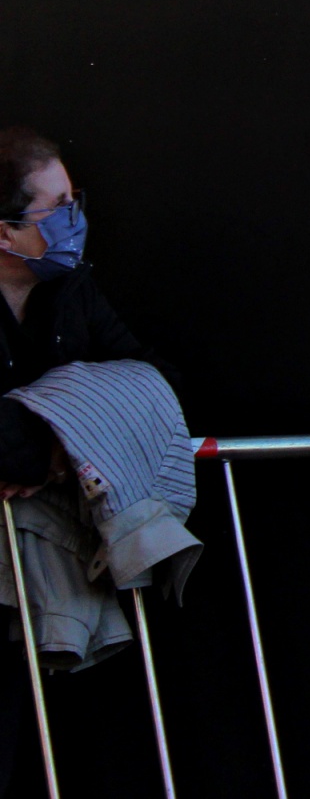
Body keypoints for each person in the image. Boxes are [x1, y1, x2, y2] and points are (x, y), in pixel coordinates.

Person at [0, 128, 175, 792]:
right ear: (7, 232)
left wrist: (51, 443)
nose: (76, 221)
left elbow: (156, 382)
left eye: (76, 200)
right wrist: (80, 425)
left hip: (50, 558)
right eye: (58, 208)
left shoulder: (72, 292)